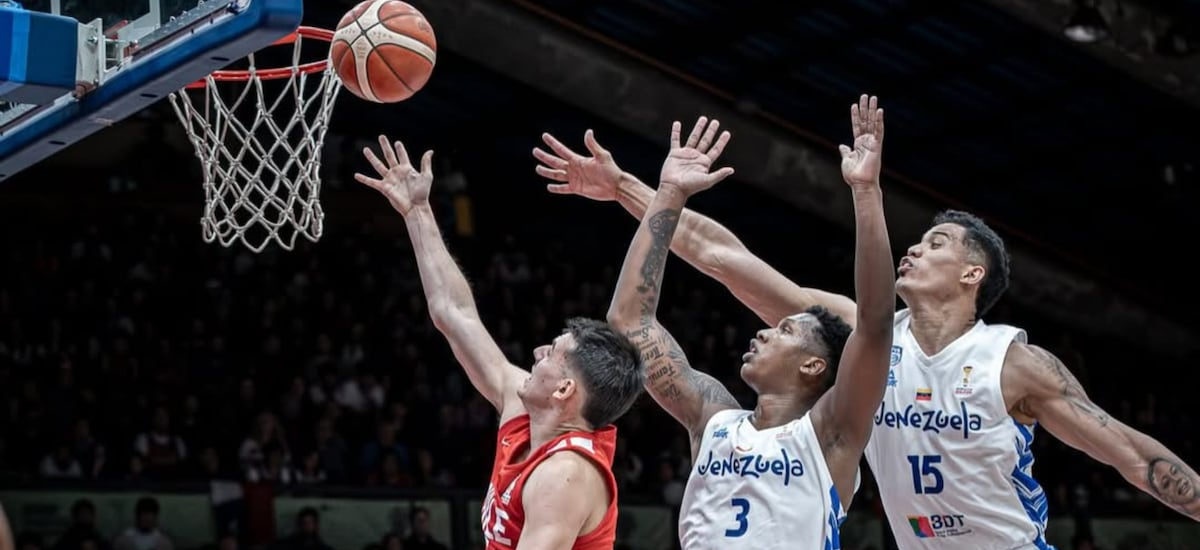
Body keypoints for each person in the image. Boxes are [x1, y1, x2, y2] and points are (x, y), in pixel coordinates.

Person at [535, 96, 1200, 548]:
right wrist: (627, 187)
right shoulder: (854, 338)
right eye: (917, 241)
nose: (916, 247)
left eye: (938, 245)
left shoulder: (1012, 362)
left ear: (974, 276)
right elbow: (721, 256)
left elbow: (1132, 456)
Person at [603, 100, 894, 549]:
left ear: (815, 366)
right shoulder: (712, 418)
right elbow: (629, 320)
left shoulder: (830, 431)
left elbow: (874, 325)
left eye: (785, 331)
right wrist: (670, 195)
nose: (762, 331)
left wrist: (865, 191)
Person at [354, 136, 646, 550]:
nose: (535, 355)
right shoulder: (524, 414)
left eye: (551, 352)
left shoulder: (566, 474)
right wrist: (417, 212)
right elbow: (454, 315)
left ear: (565, 390)